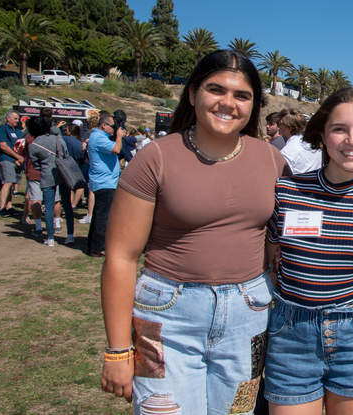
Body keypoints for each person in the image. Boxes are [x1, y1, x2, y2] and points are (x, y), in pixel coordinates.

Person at [100, 49, 287, 414]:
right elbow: (121, 257)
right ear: (192, 94)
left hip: (248, 318)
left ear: (254, 105)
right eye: (216, 90)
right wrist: (118, 349)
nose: (228, 103)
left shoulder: (273, 162)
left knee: (239, 410)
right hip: (166, 317)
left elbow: (283, 241)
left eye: (242, 95)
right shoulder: (155, 157)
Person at [263, 87, 353, 415]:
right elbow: (269, 261)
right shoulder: (287, 192)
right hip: (290, 337)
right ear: (322, 136)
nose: (352, 139)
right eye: (340, 129)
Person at [27, 115, 69, 247]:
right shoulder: (57, 139)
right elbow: (65, 153)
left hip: (46, 175)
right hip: (62, 173)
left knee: (49, 206)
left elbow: (36, 164)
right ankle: (70, 234)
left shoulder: (34, 145)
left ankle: (50, 237)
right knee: (63, 203)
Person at [86, 111, 124, 256]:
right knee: (103, 216)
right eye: (112, 127)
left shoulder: (97, 137)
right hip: (105, 182)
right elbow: (116, 149)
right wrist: (119, 137)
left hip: (104, 181)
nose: (114, 130)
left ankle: (93, 245)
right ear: (104, 125)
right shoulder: (98, 138)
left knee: (99, 215)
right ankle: (98, 247)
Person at [0, 110, 25, 217]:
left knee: (12, 183)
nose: (17, 121)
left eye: (18, 119)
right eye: (15, 118)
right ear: (8, 118)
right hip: (6, 159)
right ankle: (2, 208)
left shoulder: (18, 131)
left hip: (17, 161)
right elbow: (3, 146)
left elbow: (21, 145)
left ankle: (9, 206)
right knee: (7, 182)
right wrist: (17, 156)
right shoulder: (2, 129)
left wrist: (20, 157)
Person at [279, 109, 321, 174]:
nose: (278, 126)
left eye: (281, 123)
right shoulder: (312, 144)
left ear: (289, 128)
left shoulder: (290, 149)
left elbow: (278, 171)